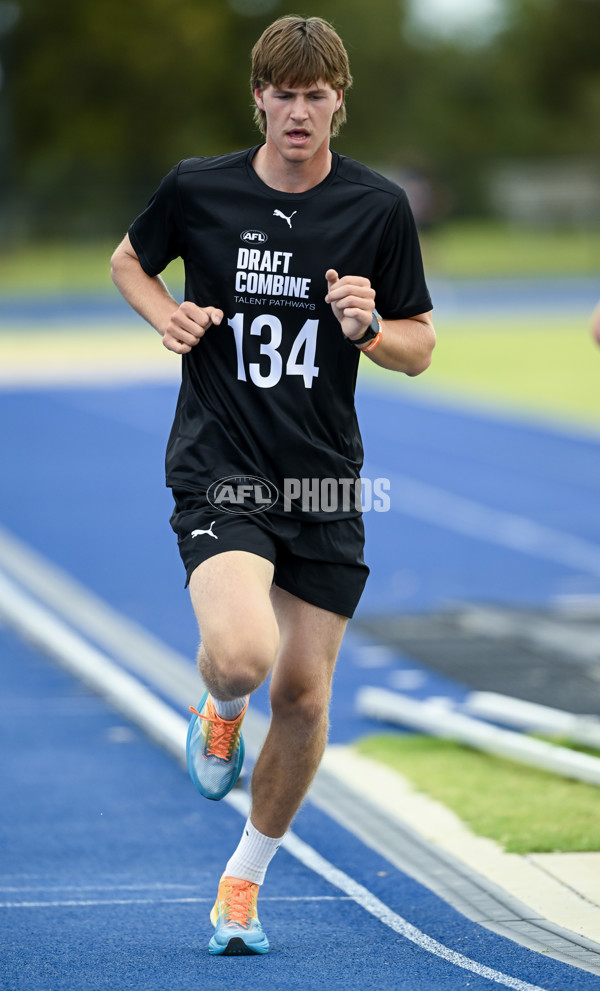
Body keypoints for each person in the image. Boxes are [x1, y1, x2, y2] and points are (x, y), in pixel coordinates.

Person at [111, 15, 435, 956]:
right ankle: (219, 709)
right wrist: (168, 316)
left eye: (315, 94)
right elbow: (131, 260)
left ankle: (242, 885)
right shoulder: (199, 187)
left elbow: (418, 345)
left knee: (301, 697)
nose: (299, 111)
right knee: (246, 658)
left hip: (327, 483)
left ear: (340, 99)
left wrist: (371, 327)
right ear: (258, 97)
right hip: (224, 464)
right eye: (282, 94)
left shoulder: (376, 209)